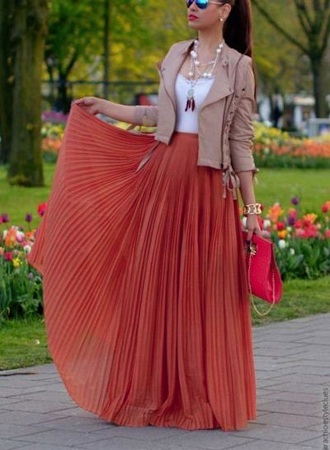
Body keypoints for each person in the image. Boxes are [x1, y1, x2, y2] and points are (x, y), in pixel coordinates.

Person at [29, 0, 261, 432]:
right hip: (165, 178)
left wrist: (251, 210)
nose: (192, 5)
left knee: (200, 290)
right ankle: (150, 392)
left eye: (203, 0)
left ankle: (201, 395)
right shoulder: (176, 53)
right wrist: (107, 108)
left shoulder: (239, 67)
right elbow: (162, 116)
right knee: (156, 283)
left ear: (225, 10)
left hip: (208, 189)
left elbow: (241, 141)